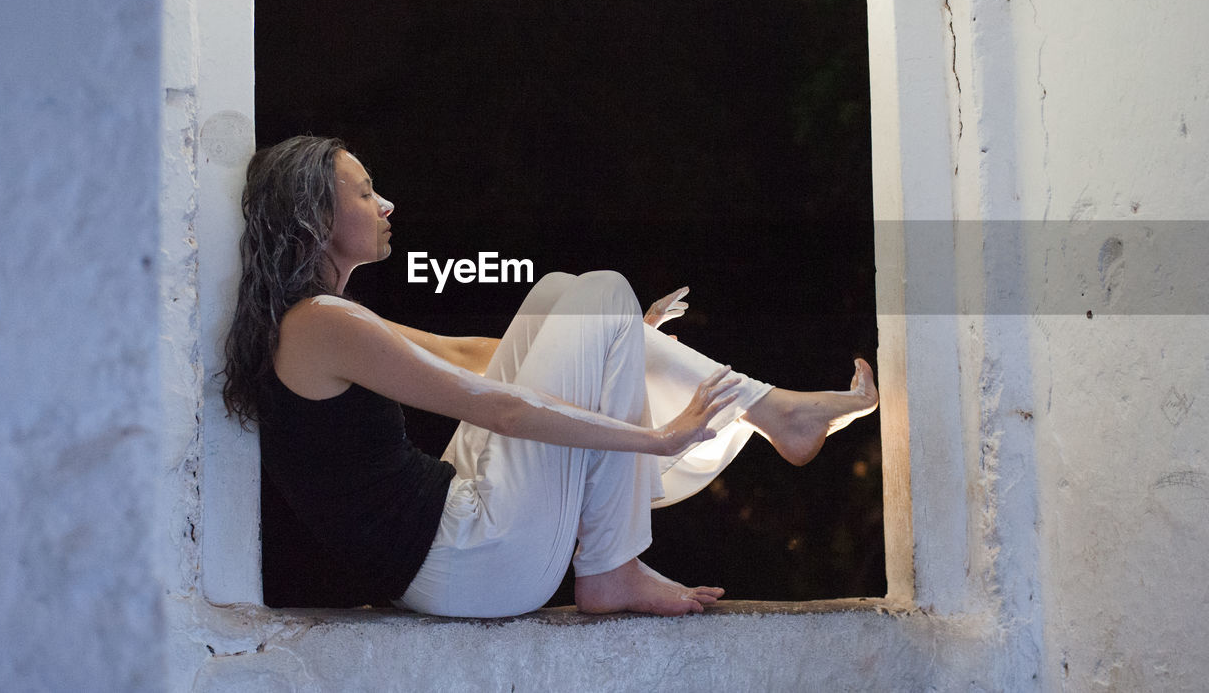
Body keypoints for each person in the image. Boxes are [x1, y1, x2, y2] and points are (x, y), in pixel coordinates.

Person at [221, 135, 878, 618]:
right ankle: (613, 566)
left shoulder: (314, 321)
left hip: (450, 552)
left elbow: (470, 357)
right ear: (316, 217)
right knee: (602, 292)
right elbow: (499, 407)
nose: (386, 202)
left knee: (565, 294)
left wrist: (619, 344)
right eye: (365, 192)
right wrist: (658, 438)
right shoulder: (324, 324)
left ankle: (770, 410)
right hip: (472, 563)